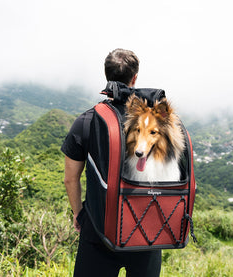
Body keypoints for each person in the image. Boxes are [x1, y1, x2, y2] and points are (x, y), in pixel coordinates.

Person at [61, 48, 162, 277]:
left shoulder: (87, 121)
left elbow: (70, 178)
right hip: (145, 230)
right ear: (134, 78)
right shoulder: (153, 125)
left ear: (106, 76)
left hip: (98, 228)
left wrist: (80, 214)